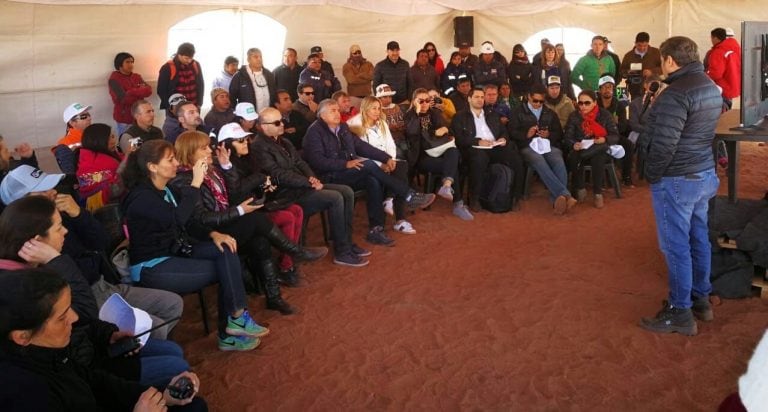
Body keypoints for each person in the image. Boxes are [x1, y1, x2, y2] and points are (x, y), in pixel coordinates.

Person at [0, 195, 190, 386]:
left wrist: (108, 334)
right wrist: (56, 259)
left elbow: (102, 241)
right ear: (37, 241)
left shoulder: (34, 262)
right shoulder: (20, 285)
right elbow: (84, 312)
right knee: (174, 363)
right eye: (58, 228)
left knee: (174, 350)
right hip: (84, 366)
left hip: (93, 340)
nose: (65, 231)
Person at [0, 164, 184, 340]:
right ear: (23, 203)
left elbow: (102, 241)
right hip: (81, 297)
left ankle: (152, 353)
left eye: (51, 186)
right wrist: (57, 259)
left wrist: (78, 214)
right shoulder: (28, 244)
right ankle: (145, 359)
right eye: (43, 191)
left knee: (172, 305)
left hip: (103, 284)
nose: (54, 191)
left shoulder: (59, 215)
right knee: (155, 328)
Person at [120, 139, 268, 351]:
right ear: (152, 167)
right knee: (224, 268)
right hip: (153, 265)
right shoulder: (140, 198)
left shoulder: (167, 189)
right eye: (170, 160)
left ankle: (236, 318)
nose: (176, 163)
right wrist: (196, 182)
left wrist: (214, 233)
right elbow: (176, 219)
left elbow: (190, 221)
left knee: (224, 248)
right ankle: (228, 331)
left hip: (178, 250)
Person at [0, 268, 207, 411]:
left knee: (193, 405)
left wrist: (163, 396)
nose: (75, 317)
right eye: (62, 317)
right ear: (22, 336)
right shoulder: (23, 394)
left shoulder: (47, 350)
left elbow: (98, 383)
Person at [171, 131, 326, 315]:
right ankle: (296, 251)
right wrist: (239, 210)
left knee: (260, 242)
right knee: (255, 219)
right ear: (189, 153)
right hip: (208, 233)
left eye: (208, 146)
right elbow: (201, 219)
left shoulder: (212, 170)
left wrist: (226, 166)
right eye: (203, 148)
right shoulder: (185, 180)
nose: (209, 151)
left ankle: (274, 297)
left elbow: (234, 193)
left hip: (225, 223)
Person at [637, 36, 722, 336]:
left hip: (677, 179)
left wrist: (653, 175)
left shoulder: (676, 93)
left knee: (676, 246)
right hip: (703, 174)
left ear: (671, 61)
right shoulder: (710, 86)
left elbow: (663, 145)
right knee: (698, 237)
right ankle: (700, 299)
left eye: (662, 60)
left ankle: (680, 311)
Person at [303, 99, 436, 246]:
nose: (337, 113)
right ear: (322, 115)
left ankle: (376, 229)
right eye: (332, 111)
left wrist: (385, 158)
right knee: (369, 166)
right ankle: (408, 195)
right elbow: (317, 161)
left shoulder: (342, 127)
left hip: (348, 172)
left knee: (373, 180)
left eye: (337, 109)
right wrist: (345, 164)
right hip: (329, 176)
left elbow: (361, 146)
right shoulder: (314, 132)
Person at [252, 107, 370, 268]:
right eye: (277, 122)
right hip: (284, 194)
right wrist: (308, 182)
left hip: (301, 186)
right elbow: (277, 174)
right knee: (335, 197)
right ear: (264, 126)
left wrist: (312, 178)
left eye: (283, 121)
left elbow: (301, 163)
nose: (282, 125)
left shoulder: (284, 141)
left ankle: (346, 242)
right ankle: (341, 252)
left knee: (347, 191)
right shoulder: (259, 146)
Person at [220, 122, 314, 285]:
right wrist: (260, 179)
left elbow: (254, 185)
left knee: (296, 210)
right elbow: (236, 193)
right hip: (244, 215)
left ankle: (288, 264)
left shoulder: (247, 159)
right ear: (227, 145)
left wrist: (264, 186)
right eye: (239, 141)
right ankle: (289, 262)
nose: (245, 143)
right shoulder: (226, 165)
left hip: (258, 206)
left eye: (245, 139)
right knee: (287, 217)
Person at [348, 96, 416, 234]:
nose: (377, 111)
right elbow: (360, 152)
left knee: (401, 166)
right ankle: (396, 215)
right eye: (374, 108)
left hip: (386, 161)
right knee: (395, 174)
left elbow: (391, 145)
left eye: (379, 108)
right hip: (370, 165)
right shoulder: (355, 126)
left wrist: (390, 161)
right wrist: (380, 164)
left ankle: (396, 213)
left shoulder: (382, 123)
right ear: (365, 109)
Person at [451, 87, 523, 212]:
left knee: (515, 158)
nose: (480, 100)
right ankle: (475, 198)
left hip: (493, 146)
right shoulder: (460, 116)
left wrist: (502, 139)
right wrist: (478, 141)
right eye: (476, 97)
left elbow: (503, 131)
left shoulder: (492, 114)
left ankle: (515, 197)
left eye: (482, 97)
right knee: (479, 158)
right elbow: (458, 138)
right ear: (469, 99)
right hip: (473, 148)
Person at [405, 89, 473, 221]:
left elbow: (448, 128)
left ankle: (447, 186)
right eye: (421, 101)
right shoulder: (410, 116)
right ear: (414, 102)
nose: (425, 103)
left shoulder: (434, 113)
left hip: (439, 150)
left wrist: (445, 129)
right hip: (422, 156)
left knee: (453, 152)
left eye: (427, 100)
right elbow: (411, 133)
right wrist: (418, 112)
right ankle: (458, 203)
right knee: (452, 167)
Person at [508, 84, 574, 214]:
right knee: (538, 160)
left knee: (558, 158)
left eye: (541, 101)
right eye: (535, 101)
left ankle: (558, 199)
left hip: (547, 145)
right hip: (526, 146)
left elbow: (559, 133)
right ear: (528, 97)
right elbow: (511, 132)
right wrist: (526, 135)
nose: (538, 104)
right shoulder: (517, 112)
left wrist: (549, 135)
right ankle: (565, 195)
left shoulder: (550, 113)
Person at [564, 90, 620, 209]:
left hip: (599, 148)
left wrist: (604, 139)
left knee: (598, 155)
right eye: (580, 103)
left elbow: (615, 135)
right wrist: (574, 144)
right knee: (574, 155)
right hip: (580, 149)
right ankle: (580, 187)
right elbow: (568, 137)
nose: (583, 106)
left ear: (595, 103)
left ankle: (597, 193)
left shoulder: (604, 115)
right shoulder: (574, 116)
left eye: (587, 103)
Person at [76, 123, 124, 210]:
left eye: (113, 136)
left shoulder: (110, 154)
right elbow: (114, 188)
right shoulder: (90, 164)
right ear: (97, 141)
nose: (113, 141)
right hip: (104, 209)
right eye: (108, 138)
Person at [596, 75, 632, 186]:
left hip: (614, 135)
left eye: (610, 87)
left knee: (629, 144)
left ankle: (627, 177)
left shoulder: (619, 105)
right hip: (597, 137)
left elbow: (623, 127)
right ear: (600, 89)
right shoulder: (594, 104)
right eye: (604, 87)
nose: (607, 90)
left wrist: (614, 125)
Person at [108, 52, 152, 136]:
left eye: (132, 62)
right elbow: (122, 99)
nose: (131, 64)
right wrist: (140, 92)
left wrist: (131, 92)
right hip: (125, 118)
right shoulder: (114, 79)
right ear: (120, 64)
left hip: (140, 117)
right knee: (126, 143)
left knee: (142, 142)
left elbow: (149, 91)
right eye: (127, 62)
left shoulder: (137, 76)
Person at [157, 42, 204, 110]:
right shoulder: (167, 67)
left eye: (191, 58)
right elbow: (161, 90)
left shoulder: (196, 64)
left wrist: (199, 103)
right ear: (179, 55)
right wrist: (170, 107)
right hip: (176, 108)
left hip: (193, 105)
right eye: (186, 58)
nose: (189, 61)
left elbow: (201, 85)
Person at [229, 48, 277, 113]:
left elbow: (274, 93)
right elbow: (232, 98)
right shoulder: (239, 76)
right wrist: (238, 113)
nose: (259, 59)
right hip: (249, 117)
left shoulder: (268, 74)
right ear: (248, 59)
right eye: (256, 57)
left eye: (260, 57)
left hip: (268, 115)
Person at [619, 32, 662, 101]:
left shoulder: (656, 53)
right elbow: (621, 71)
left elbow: (664, 67)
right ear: (635, 43)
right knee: (636, 108)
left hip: (653, 88)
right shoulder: (628, 56)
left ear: (648, 43)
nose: (642, 48)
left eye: (645, 46)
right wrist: (628, 72)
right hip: (635, 89)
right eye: (639, 45)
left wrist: (652, 72)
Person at [706, 27, 741, 111]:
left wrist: (704, 77)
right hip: (733, 83)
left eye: (711, 38)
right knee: (728, 107)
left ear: (715, 38)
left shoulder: (718, 51)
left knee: (721, 111)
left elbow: (715, 73)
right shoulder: (736, 48)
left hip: (722, 87)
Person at [54, 102, 92, 174]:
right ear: (72, 123)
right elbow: (71, 174)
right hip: (87, 180)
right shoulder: (63, 144)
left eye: (89, 115)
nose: (89, 118)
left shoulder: (94, 134)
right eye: (83, 116)